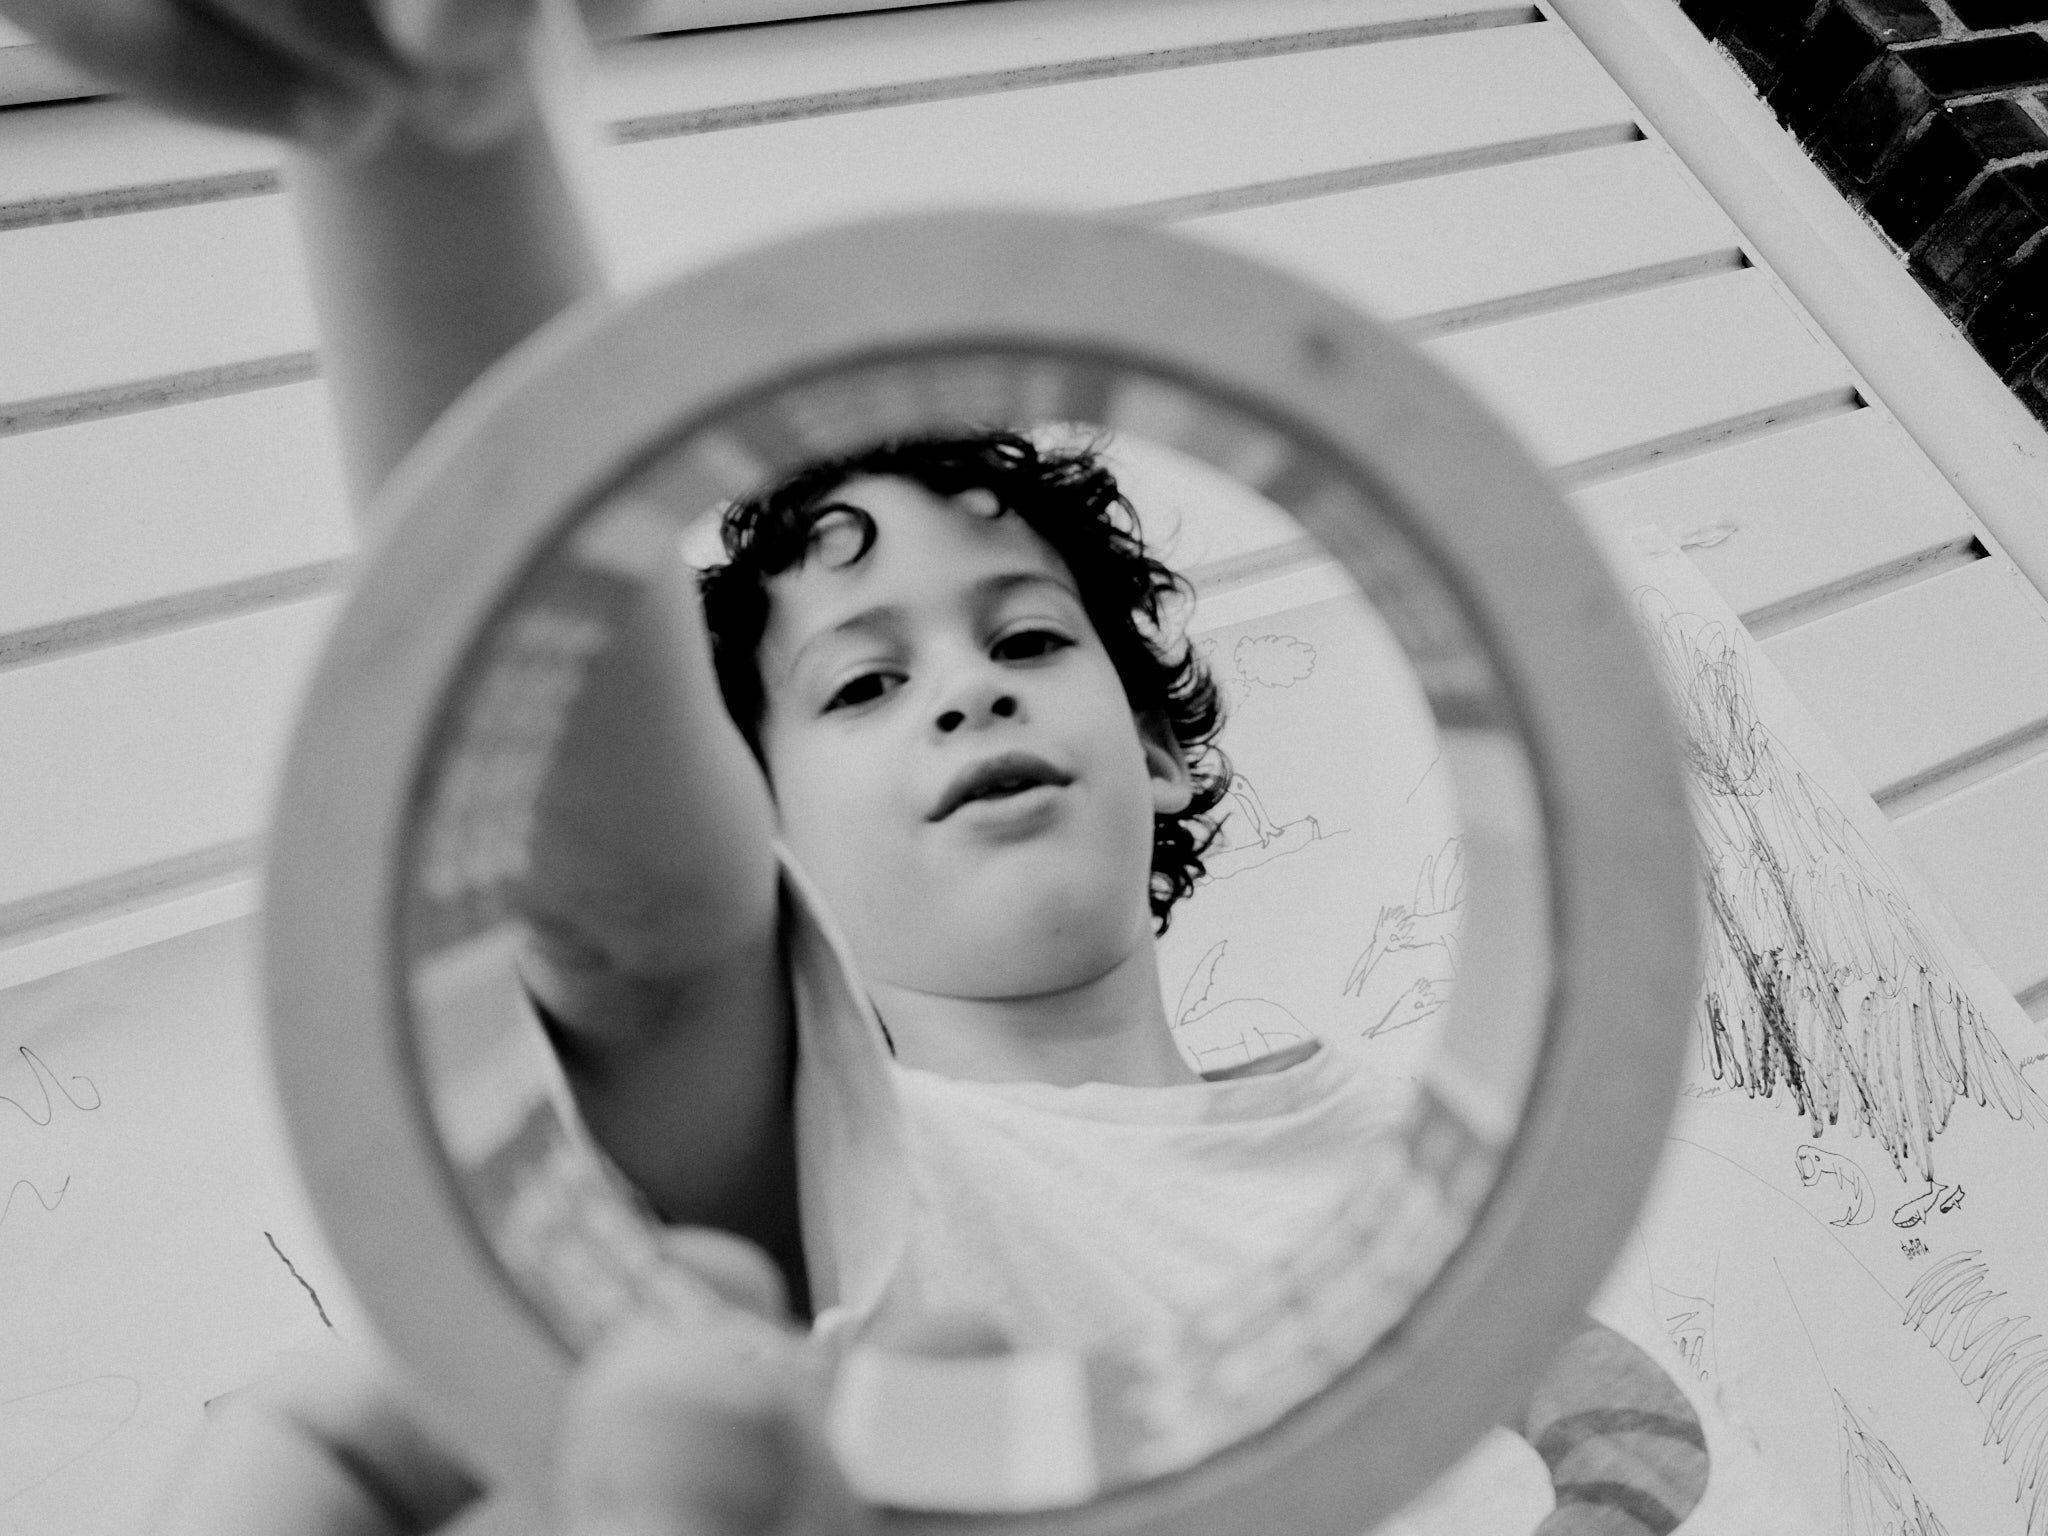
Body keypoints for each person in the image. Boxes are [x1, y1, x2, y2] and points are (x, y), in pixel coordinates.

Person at [1, 4, 1764, 1531]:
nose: (964, 698)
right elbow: (637, 915)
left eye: (1025, 641)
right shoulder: (844, 1182)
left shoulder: (1413, 1153)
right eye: (860, 685)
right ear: (761, 829)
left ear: (1157, 745)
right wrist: (422, 133)